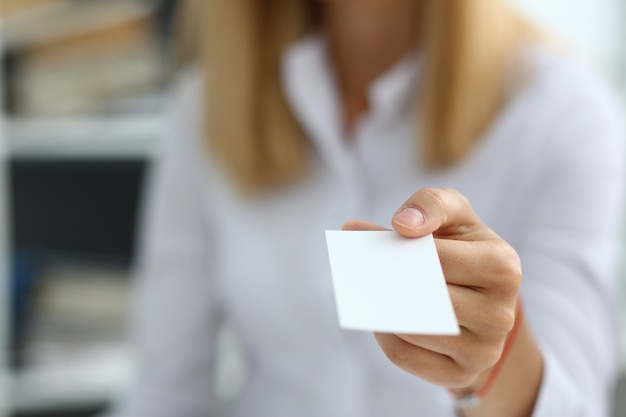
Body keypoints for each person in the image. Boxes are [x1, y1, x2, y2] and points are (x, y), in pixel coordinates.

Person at [106, 0, 625, 416]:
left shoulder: (564, 114)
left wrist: (487, 366)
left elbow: (575, 406)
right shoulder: (207, 110)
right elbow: (164, 394)